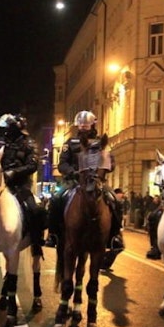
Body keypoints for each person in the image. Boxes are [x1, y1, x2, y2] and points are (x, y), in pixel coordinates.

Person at [46, 111, 124, 263]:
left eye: (86, 126)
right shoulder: (70, 142)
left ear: (92, 126)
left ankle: (115, 236)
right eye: (81, 126)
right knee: (56, 199)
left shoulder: (100, 142)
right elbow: (63, 163)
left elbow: (110, 161)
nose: (83, 129)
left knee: (115, 200)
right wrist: (72, 172)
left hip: (96, 180)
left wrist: (106, 168)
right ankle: (53, 234)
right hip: (74, 180)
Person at [0, 113, 47, 259]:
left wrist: (15, 172)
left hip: (21, 185)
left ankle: (36, 241)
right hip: (1, 185)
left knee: (35, 210)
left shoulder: (29, 143)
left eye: (9, 128)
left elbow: (33, 165)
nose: (6, 131)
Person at [145, 195, 163, 259]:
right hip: (153, 226)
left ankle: (156, 251)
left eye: (156, 199)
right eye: (154, 199)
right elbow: (150, 215)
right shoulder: (153, 206)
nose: (154, 200)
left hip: (156, 226)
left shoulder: (160, 208)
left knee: (156, 239)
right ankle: (155, 249)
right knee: (153, 239)